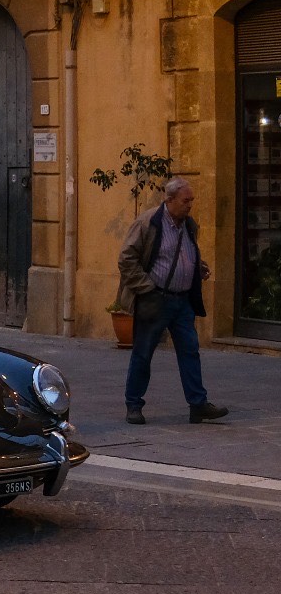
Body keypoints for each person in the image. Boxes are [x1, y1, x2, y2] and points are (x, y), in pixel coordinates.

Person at [117, 176, 228, 425]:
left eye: (192, 201)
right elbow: (127, 259)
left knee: (190, 351)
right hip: (155, 299)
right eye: (185, 200)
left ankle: (197, 404)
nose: (190, 205)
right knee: (143, 353)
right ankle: (133, 404)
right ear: (169, 199)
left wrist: (197, 267)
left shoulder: (189, 224)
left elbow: (183, 253)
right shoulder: (148, 222)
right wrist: (146, 288)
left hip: (182, 301)